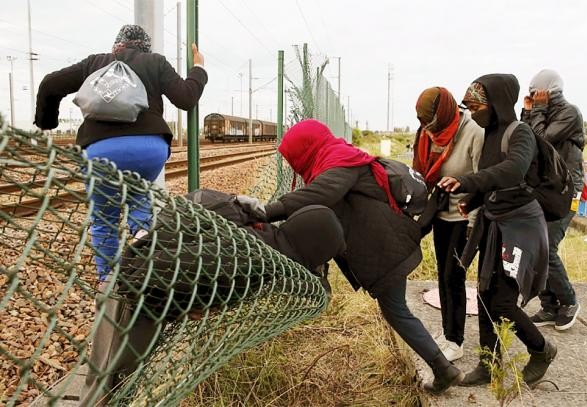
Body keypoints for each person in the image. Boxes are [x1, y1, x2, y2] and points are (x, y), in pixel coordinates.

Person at [241, 119, 464, 394]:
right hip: (381, 244)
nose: (292, 164)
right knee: (396, 311)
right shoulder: (333, 158)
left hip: (384, 249)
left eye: (293, 157)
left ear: (306, 148)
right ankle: (443, 367)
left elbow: (320, 194)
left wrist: (267, 210)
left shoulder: (340, 163)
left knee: (397, 311)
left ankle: (443, 367)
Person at [79, 188, 346, 406]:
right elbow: (156, 270)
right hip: (133, 298)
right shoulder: (252, 258)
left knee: (119, 385)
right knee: (109, 388)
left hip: (143, 297)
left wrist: (196, 302)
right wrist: (186, 305)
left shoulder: (267, 239)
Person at [34, 24, 208, 281]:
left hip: (101, 151)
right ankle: (144, 272)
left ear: (117, 45)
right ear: (145, 47)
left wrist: (47, 122)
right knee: (140, 203)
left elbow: (50, 84)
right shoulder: (155, 62)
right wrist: (199, 69)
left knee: (104, 217)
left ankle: (109, 285)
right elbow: (186, 98)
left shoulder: (95, 63)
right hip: (148, 150)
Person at [438, 74, 556, 386]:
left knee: (503, 301)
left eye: (477, 106)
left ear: (497, 103)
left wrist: (467, 182)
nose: (473, 112)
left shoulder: (521, 134)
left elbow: (512, 170)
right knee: (486, 294)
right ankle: (489, 364)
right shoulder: (489, 134)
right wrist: (473, 200)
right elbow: (492, 177)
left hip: (519, 226)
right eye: (469, 107)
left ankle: (542, 350)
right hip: (495, 221)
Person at [412, 87, 484, 362]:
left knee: (455, 278)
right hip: (440, 214)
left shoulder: (473, 132)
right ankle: (447, 331)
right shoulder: (426, 133)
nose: (428, 131)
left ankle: (456, 340)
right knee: (443, 276)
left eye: (431, 125)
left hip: (464, 218)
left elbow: (482, 180)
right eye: (423, 125)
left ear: (444, 115)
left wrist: (473, 224)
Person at [521, 69, 584, 330]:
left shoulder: (570, 112)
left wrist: (537, 110)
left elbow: (542, 140)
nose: (535, 98)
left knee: (548, 248)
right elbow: (525, 140)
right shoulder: (541, 112)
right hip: (547, 189)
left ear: (550, 93)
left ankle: (569, 301)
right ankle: (550, 305)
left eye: (538, 94)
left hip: (568, 192)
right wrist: (527, 112)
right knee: (536, 247)